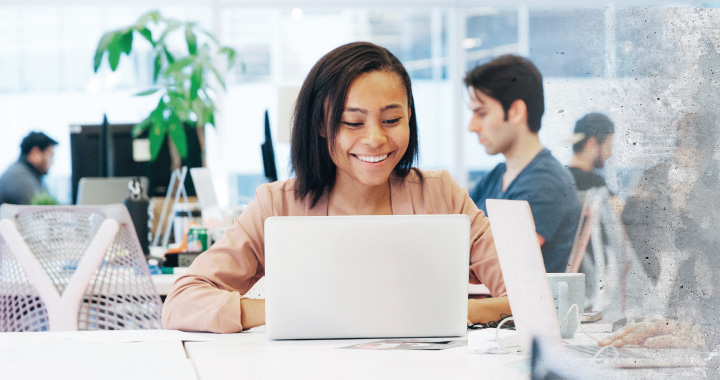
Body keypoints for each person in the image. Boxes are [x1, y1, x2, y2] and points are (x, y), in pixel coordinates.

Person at [162, 42, 510, 333]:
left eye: (392, 120)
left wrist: (464, 311)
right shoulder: (277, 206)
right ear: (322, 126)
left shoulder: (441, 195)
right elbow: (182, 302)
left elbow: (532, 297)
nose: (375, 138)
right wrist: (292, 313)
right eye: (352, 122)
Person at [465, 55, 580, 274]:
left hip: (518, 307)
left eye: (481, 113)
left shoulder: (546, 182)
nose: (473, 126)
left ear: (516, 111)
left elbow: (499, 263)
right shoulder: (496, 176)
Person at [0, 131, 58, 205]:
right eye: (50, 155)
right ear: (35, 152)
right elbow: (40, 210)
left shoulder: (33, 174)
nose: (52, 161)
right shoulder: (19, 176)